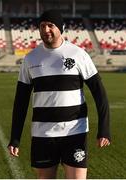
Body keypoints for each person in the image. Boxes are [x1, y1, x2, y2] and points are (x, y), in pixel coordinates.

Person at [8, 9, 111, 179]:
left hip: (74, 133)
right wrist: (15, 138)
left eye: (51, 25)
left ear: (61, 28)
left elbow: (100, 95)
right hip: (43, 134)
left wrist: (104, 130)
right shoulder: (31, 59)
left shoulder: (78, 55)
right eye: (42, 26)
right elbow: (21, 101)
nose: (46, 29)